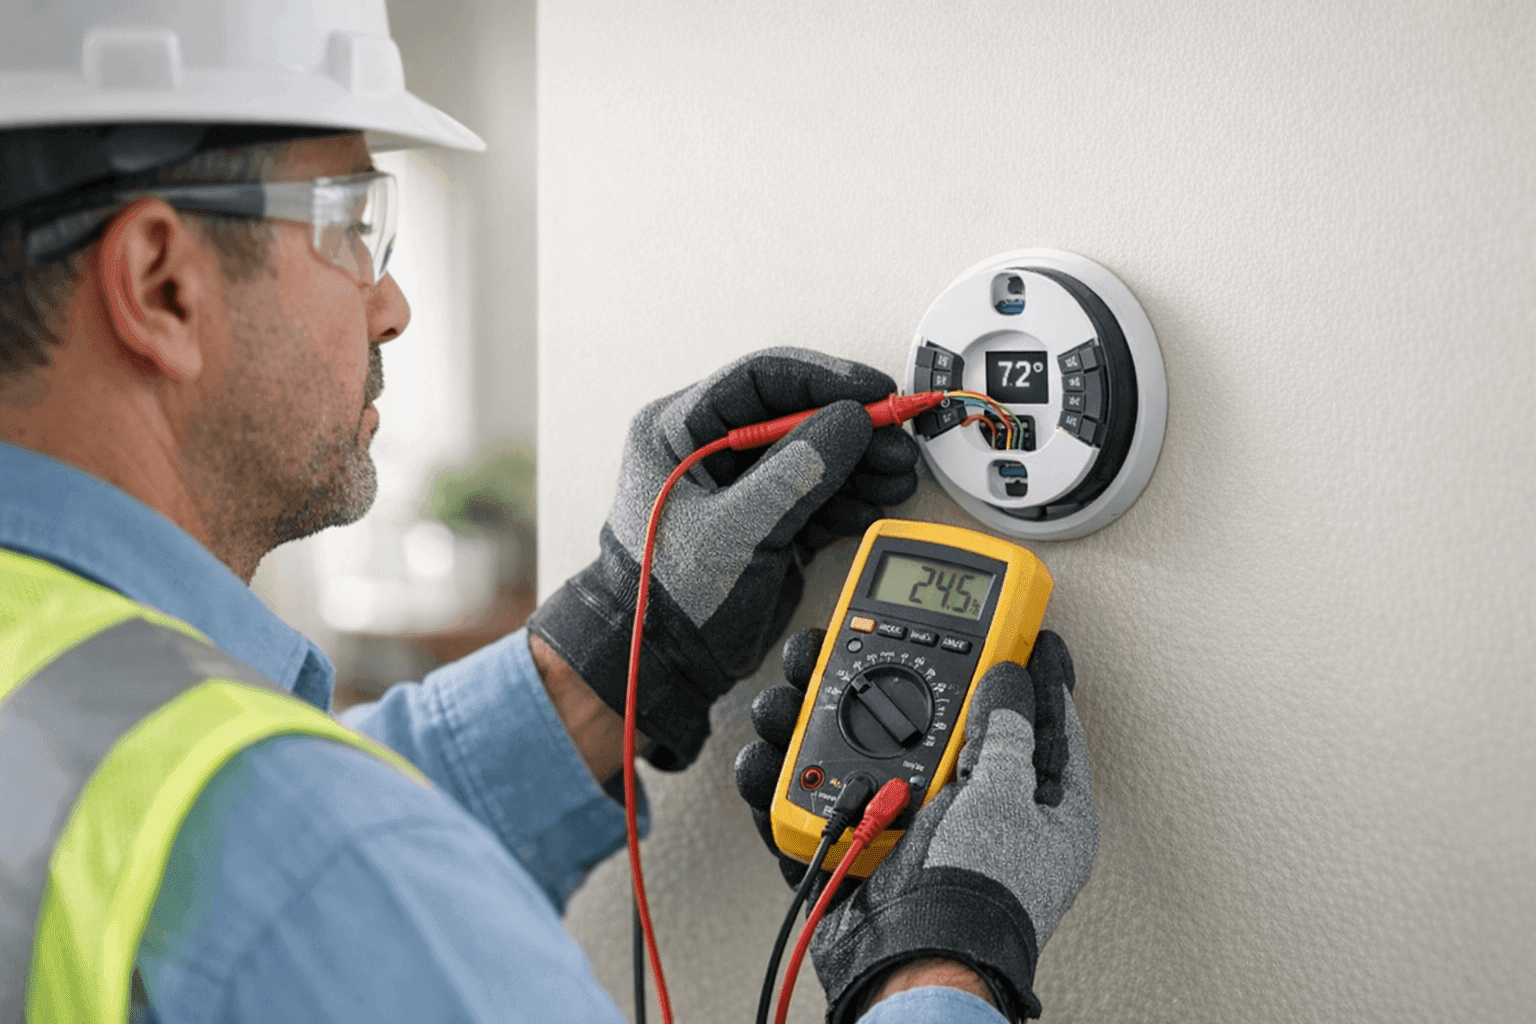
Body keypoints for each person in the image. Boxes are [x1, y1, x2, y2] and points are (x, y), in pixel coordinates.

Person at [0, 2, 1097, 1022]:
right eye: (346, 218)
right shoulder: (308, 856)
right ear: (159, 286)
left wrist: (618, 646)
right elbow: (295, 864)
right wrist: (941, 963)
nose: (391, 303)